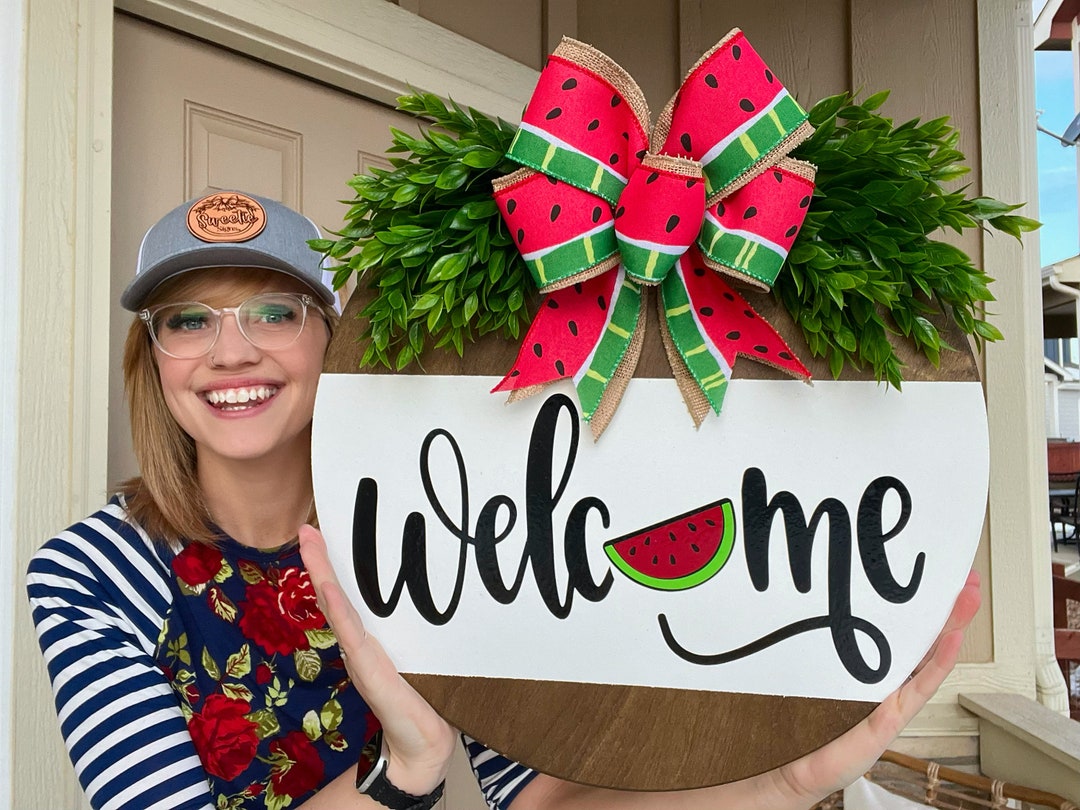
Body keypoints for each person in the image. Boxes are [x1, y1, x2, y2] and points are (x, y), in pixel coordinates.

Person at [27, 190, 982, 810]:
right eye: (186, 320)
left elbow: (550, 804)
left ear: (334, 339)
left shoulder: (439, 528)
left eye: (274, 312)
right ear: (152, 358)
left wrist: (781, 781)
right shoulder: (92, 574)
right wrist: (401, 776)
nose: (230, 352)